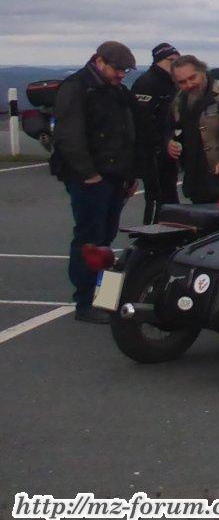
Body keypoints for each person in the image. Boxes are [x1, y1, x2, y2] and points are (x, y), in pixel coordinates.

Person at [51, 42, 138, 323]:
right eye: (117, 69)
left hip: (114, 176)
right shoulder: (76, 87)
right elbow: (68, 135)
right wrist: (89, 174)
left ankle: (107, 300)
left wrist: (129, 174)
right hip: (89, 178)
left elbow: (127, 133)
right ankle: (86, 302)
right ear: (99, 61)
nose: (121, 74)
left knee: (107, 239)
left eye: (125, 71)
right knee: (90, 240)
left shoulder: (116, 90)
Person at [168, 55, 219, 204]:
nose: (189, 84)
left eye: (192, 78)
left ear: (202, 71)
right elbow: (169, 128)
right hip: (197, 183)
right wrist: (169, 142)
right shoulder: (179, 100)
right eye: (182, 82)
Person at [131, 43, 181, 223]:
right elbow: (141, 122)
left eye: (178, 61)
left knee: (169, 199)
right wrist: (160, 144)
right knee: (156, 198)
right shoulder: (147, 83)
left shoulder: (172, 83)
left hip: (168, 153)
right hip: (152, 154)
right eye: (171, 60)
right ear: (159, 60)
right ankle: (151, 232)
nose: (175, 65)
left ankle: (169, 231)